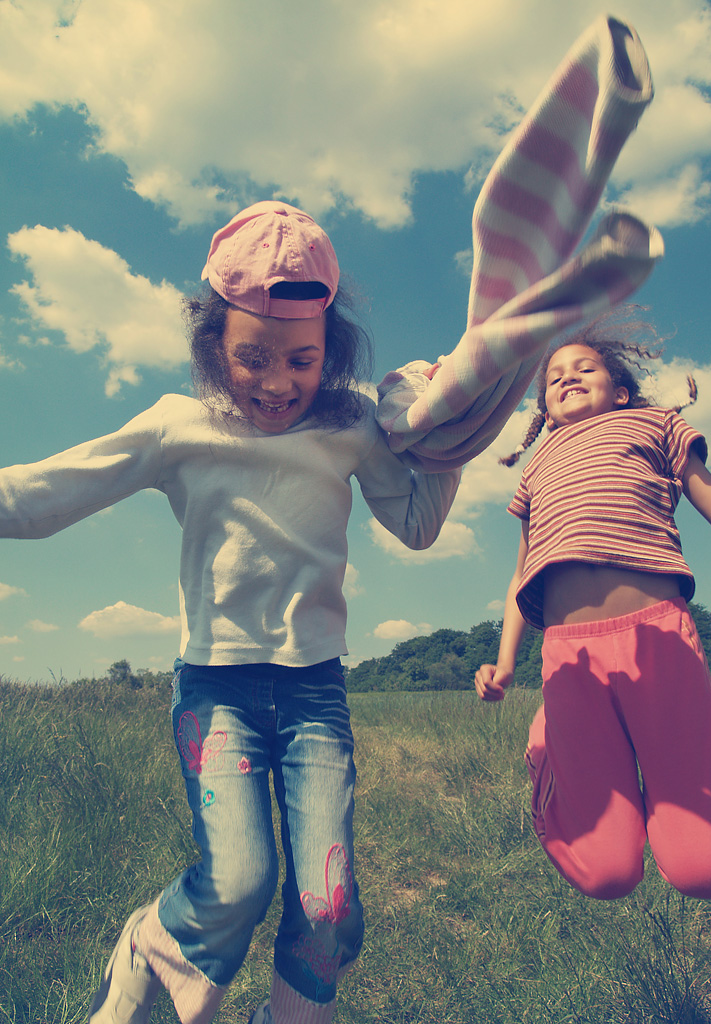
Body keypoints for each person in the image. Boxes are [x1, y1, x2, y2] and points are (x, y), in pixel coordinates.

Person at [0, 201, 461, 1024]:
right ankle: (154, 944)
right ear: (215, 345)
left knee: (327, 911)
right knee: (239, 882)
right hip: (216, 692)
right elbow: (42, 496)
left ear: (331, 351)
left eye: (302, 359)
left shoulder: (352, 424)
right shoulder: (178, 425)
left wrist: (441, 434)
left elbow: (419, 525)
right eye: (253, 358)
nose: (278, 382)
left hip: (315, 693)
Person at [474, 311, 711, 901]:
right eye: (553, 376)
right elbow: (523, 572)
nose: (566, 377)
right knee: (605, 876)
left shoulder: (654, 428)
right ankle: (547, 743)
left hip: (658, 642)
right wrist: (506, 662)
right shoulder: (537, 468)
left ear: (622, 391)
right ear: (544, 411)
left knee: (703, 873)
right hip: (567, 659)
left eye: (585, 367)